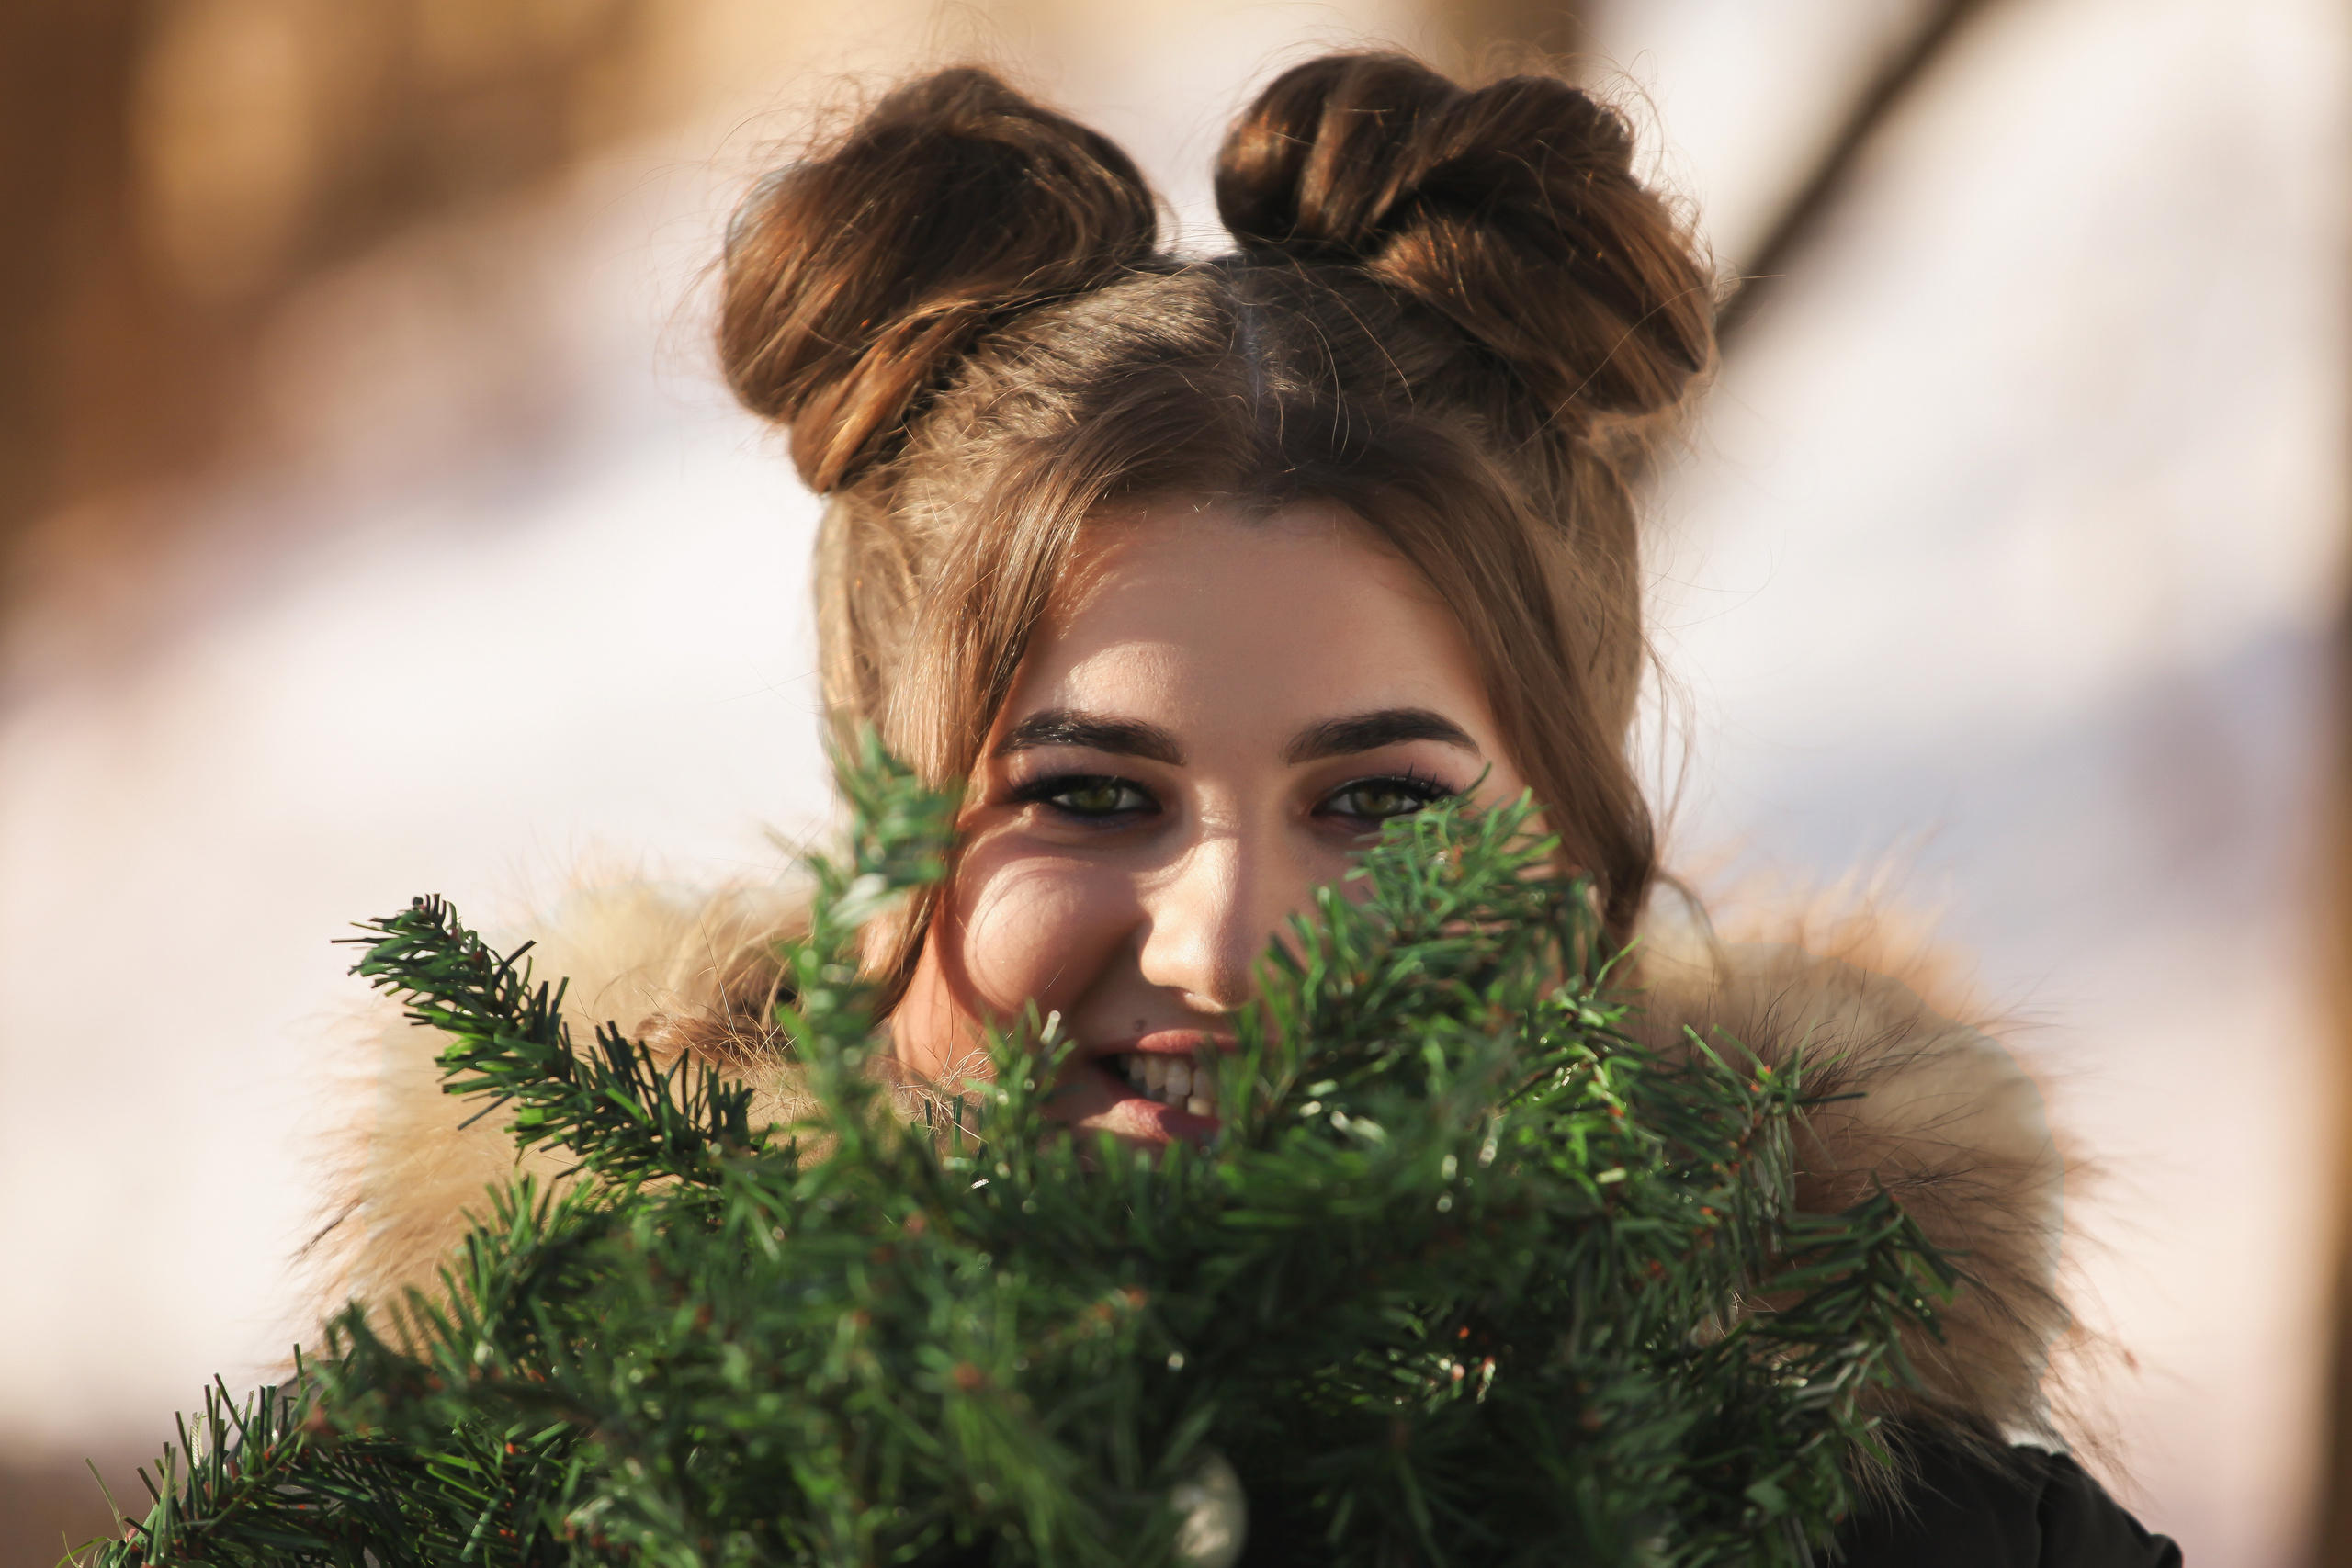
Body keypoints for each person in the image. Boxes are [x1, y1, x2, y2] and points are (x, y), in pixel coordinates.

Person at [330, 51, 2182, 1564]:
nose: (1227, 940)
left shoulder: (1919, 1539)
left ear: (1571, 838)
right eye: (1086, 791)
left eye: (1378, 799)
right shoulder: (523, 1512)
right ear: (878, 814)